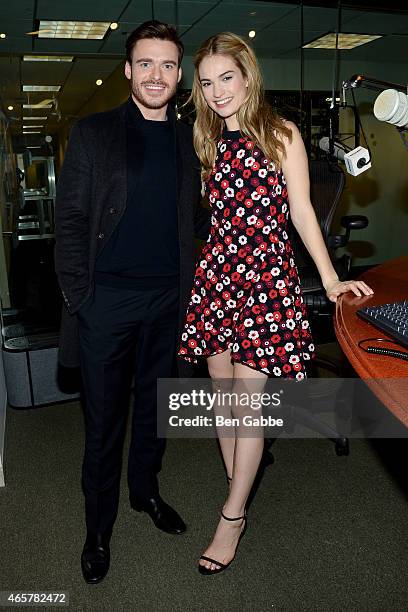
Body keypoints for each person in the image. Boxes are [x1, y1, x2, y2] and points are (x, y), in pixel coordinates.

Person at [178, 32, 373, 575]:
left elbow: (303, 214)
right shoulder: (207, 139)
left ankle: (232, 517)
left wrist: (331, 281)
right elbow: (215, 219)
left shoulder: (282, 135)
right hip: (218, 278)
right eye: (208, 82)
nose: (217, 92)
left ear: (248, 76)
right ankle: (239, 482)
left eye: (227, 78)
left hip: (264, 280)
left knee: (248, 405)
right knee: (222, 400)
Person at [55, 20, 209, 584]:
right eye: (146, 63)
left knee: (155, 410)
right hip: (107, 304)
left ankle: (145, 491)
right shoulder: (94, 133)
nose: (157, 74)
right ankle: (98, 529)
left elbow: (194, 217)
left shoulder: (191, 139)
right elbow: (69, 220)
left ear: (179, 73)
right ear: (127, 70)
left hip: (169, 301)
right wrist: (82, 299)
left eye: (168, 64)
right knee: (103, 425)